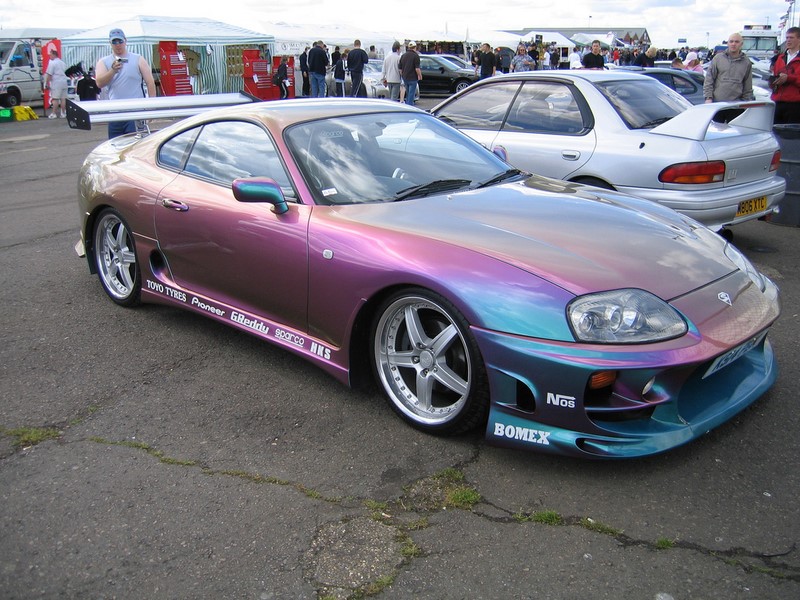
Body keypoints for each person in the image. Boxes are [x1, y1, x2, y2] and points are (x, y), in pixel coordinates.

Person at [94, 29, 156, 138]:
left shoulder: (138, 59)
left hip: (136, 112)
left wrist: (151, 108)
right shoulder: (104, 62)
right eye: (114, 42)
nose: (118, 45)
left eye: (120, 41)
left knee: (136, 144)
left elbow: (150, 82)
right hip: (115, 113)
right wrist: (112, 71)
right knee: (115, 145)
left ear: (125, 41)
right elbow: (99, 83)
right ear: (110, 43)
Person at [703, 33, 753, 103]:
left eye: (736, 42)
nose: (733, 44)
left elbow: (748, 86)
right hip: (717, 103)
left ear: (741, 44)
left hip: (736, 104)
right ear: (728, 43)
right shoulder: (718, 59)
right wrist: (708, 98)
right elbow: (709, 79)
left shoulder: (746, 62)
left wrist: (747, 102)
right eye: (731, 41)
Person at [771, 26, 800, 123]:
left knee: (792, 132)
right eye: (787, 37)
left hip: (795, 105)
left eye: (791, 37)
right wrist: (773, 82)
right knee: (775, 131)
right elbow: (775, 76)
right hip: (778, 103)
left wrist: (788, 78)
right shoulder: (780, 58)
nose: (788, 40)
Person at [44, 48, 68, 119]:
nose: (50, 56)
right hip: (64, 81)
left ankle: (54, 113)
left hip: (56, 82)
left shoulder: (52, 63)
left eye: (50, 55)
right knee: (63, 98)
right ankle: (63, 113)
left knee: (55, 98)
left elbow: (49, 74)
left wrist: (46, 83)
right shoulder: (62, 63)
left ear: (54, 55)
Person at [399, 41, 421, 106]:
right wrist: (420, 75)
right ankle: (410, 106)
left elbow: (400, 69)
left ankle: (407, 105)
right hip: (413, 78)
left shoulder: (403, 56)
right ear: (415, 47)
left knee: (408, 93)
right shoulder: (416, 56)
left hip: (405, 77)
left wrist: (403, 75)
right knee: (411, 94)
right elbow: (417, 69)